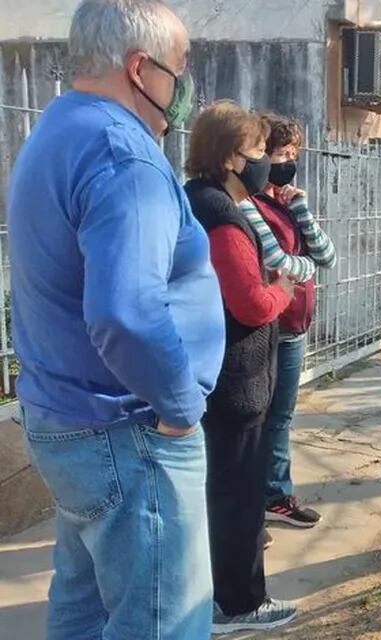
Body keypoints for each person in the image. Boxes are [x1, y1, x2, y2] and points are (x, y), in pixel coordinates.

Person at [7, 1, 223, 638]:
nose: (184, 85)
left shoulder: (61, 129)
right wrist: (181, 405)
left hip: (70, 421)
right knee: (163, 622)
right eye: (180, 67)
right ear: (140, 68)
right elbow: (126, 313)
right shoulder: (122, 155)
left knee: (84, 608)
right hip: (129, 432)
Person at [184, 101, 298, 634]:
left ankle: (220, 596)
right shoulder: (221, 216)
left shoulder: (198, 202)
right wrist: (281, 290)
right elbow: (250, 303)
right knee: (238, 497)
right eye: (257, 151)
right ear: (230, 157)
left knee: (222, 492)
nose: (264, 162)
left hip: (217, 377)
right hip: (235, 382)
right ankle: (241, 604)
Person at [237, 113, 336, 542]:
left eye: (294, 154)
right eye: (280, 154)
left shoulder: (288, 202)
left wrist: (302, 209)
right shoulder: (246, 203)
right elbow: (280, 263)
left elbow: (326, 254)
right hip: (263, 327)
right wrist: (306, 267)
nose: (288, 162)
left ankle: (275, 497)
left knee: (280, 417)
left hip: (293, 327)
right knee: (255, 418)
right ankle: (247, 504)